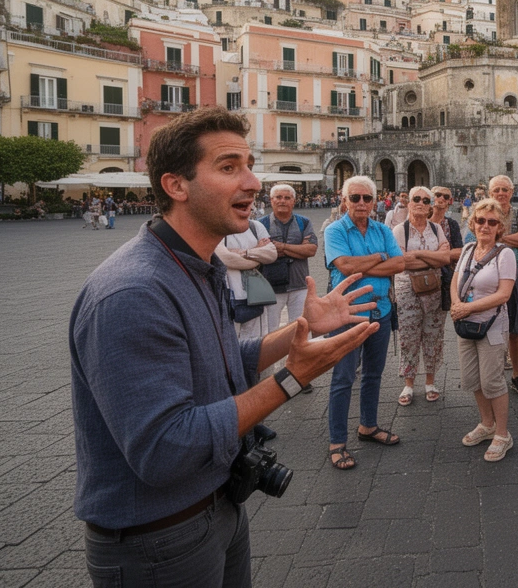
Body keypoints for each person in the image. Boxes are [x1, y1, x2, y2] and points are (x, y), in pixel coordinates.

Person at [70, 108, 378, 586]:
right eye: (229, 167)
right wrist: (292, 378)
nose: (254, 182)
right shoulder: (133, 293)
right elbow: (165, 446)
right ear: (176, 185)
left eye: (250, 164)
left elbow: (219, 362)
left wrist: (301, 325)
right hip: (159, 540)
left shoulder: (197, 265)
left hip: (218, 508)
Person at [323, 175, 407, 470]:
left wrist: (366, 262)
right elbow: (344, 266)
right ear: (344, 200)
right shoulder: (335, 230)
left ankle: (368, 426)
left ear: (375, 201)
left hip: (380, 311)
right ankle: (337, 442)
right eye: (355, 198)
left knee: (373, 374)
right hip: (348, 313)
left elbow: (399, 264)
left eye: (367, 198)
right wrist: (379, 258)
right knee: (343, 377)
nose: (361, 203)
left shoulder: (383, 229)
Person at [452, 199, 518, 462]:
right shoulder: (468, 248)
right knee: (472, 378)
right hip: (465, 324)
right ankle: (486, 423)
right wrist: (457, 305)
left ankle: (502, 434)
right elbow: (456, 280)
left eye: (492, 222)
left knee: (492, 380)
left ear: (500, 227)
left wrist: (467, 309)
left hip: (491, 325)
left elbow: (504, 294)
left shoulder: (505, 254)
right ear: (473, 223)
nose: (485, 226)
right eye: (480, 221)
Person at [215, 219, 293, 423]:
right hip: (226, 299)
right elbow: (224, 259)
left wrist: (243, 253)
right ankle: (235, 414)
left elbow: (271, 254)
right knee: (229, 357)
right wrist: (254, 255)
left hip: (253, 297)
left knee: (255, 353)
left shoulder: (255, 226)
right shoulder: (217, 225)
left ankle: (256, 420)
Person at [393, 186, 451, 406]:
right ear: (408, 202)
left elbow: (445, 258)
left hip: (433, 290)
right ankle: (408, 384)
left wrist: (417, 254)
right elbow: (401, 261)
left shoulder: (436, 229)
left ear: (430, 206)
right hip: (407, 289)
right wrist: (432, 258)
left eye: (426, 200)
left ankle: (430, 382)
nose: (421, 203)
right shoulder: (400, 230)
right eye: (416, 199)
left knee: (433, 335)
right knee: (409, 336)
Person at [488, 174, 518, 395]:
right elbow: (475, 242)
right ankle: (494, 376)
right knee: (490, 327)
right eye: (496, 190)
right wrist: (511, 238)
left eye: (505, 189)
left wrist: (498, 238)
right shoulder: (484, 215)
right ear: (490, 193)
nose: (501, 194)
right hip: (489, 279)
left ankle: (516, 374)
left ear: (512, 192)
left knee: (517, 329)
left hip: (517, 278)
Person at [262, 185, 318, 334]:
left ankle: (295, 358)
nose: (282, 201)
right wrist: (298, 249)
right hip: (270, 287)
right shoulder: (260, 224)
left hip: (299, 285)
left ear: (294, 201)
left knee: (301, 330)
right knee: (269, 333)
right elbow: (261, 253)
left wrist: (281, 247)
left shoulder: (304, 222)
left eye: (287, 198)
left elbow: (311, 250)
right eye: (278, 197)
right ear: (271, 200)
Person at [430, 185, 465, 317]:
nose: (441, 198)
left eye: (446, 197)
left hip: (444, 279)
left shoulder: (452, 224)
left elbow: (460, 251)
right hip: (422, 277)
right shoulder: (422, 222)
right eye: (438, 195)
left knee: (438, 322)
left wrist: (435, 256)